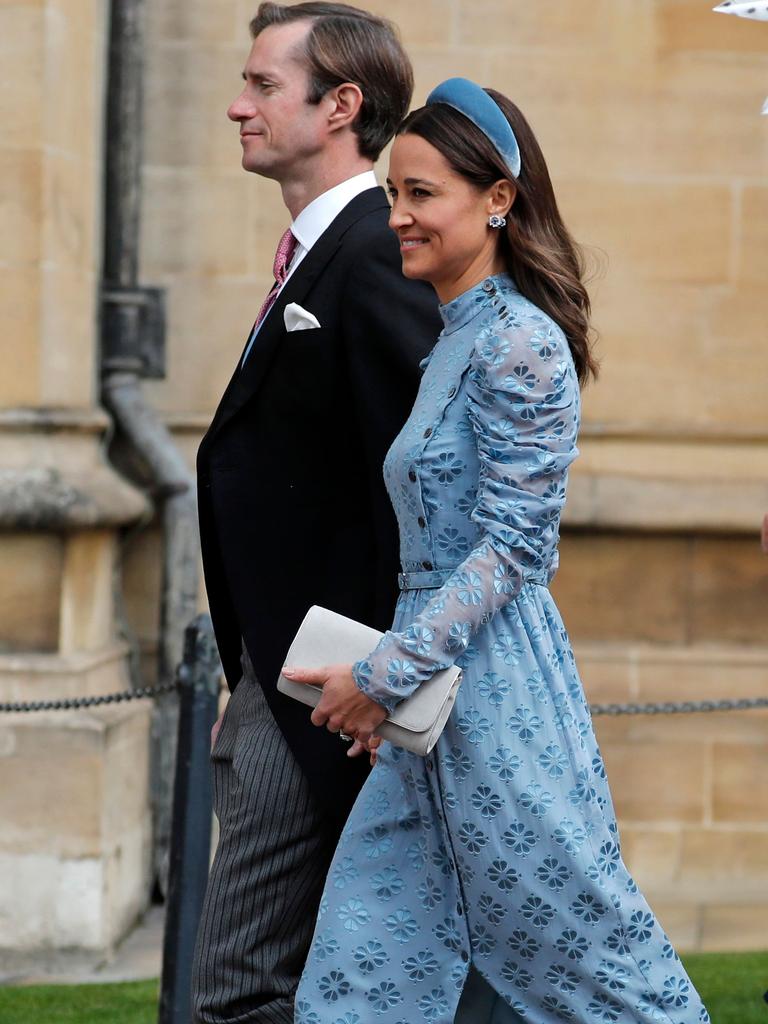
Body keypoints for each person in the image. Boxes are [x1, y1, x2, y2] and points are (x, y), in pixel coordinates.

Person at [289, 79, 710, 1023]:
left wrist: (386, 671)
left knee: (594, 970)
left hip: (497, 708)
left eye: (419, 194)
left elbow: (516, 547)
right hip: (429, 711)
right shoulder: (457, 338)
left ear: (498, 200)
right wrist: (388, 685)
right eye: (393, 192)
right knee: (360, 980)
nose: (395, 216)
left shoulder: (521, 341)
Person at [192, 5, 440, 1022]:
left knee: (239, 991)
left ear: (341, 106)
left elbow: (420, 486)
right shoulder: (314, 251)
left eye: (260, 85)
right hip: (276, 669)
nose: (236, 106)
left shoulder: (375, 251)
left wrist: (380, 676)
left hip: (327, 689)